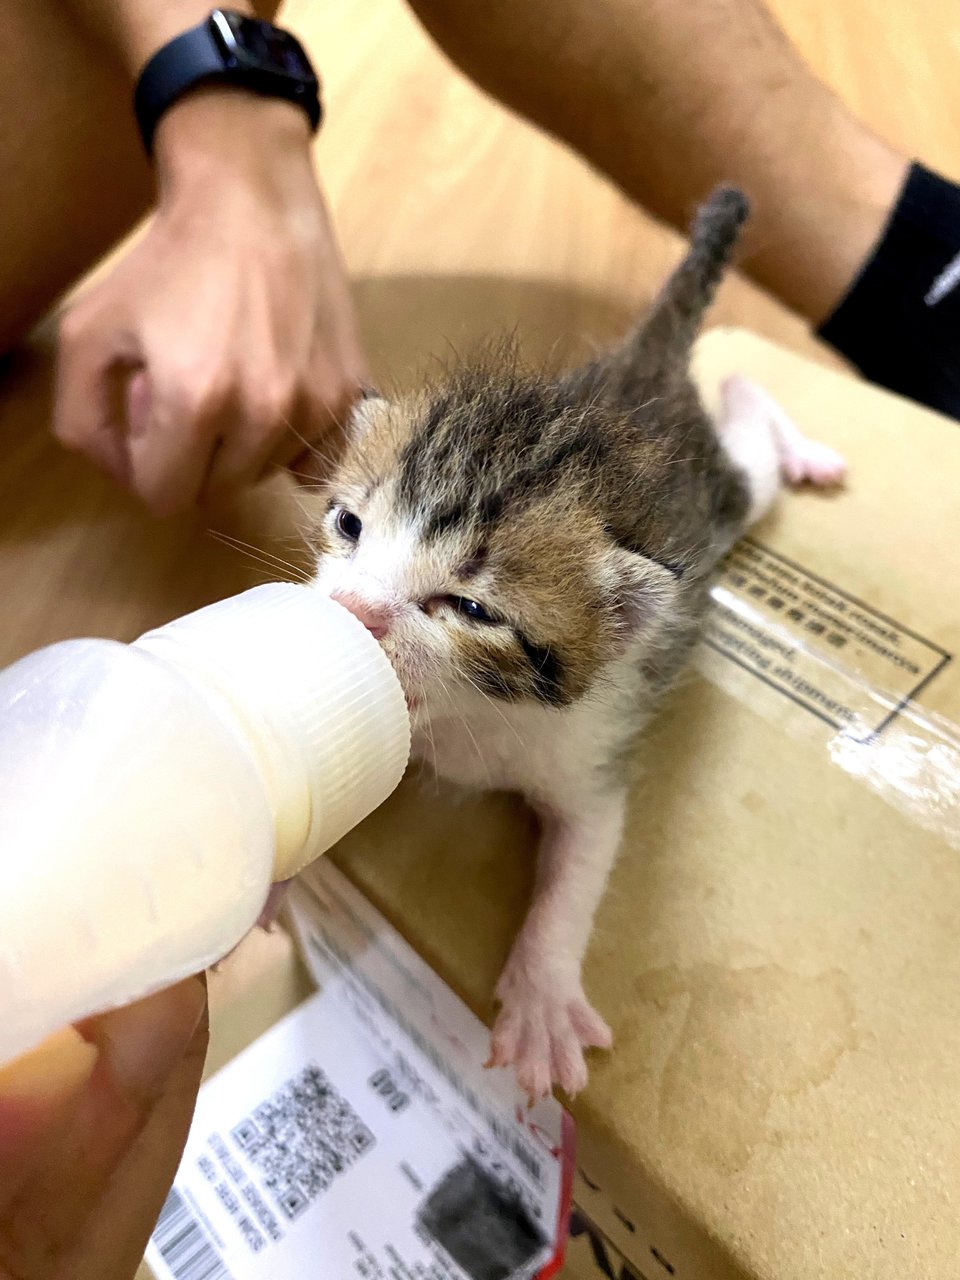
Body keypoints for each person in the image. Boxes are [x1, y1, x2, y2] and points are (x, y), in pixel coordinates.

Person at [1, 1, 957, 1275]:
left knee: (741, 499)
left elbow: (587, 817)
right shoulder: (395, 592)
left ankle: (754, 413)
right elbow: (351, 726)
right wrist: (265, 833)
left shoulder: (594, 647)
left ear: (603, 630)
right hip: (555, 465)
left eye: (462, 607)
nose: (348, 601)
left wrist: (543, 969)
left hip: (665, 488)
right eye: (346, 524)